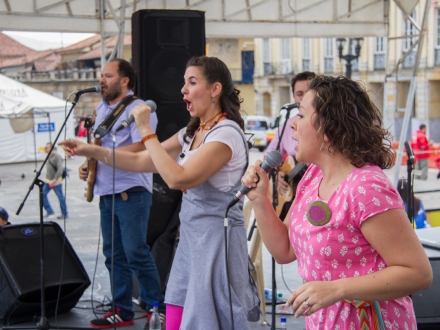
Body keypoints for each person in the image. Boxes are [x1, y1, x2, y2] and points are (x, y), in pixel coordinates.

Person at [60, 56, 257, 330]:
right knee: (176, 317)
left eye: (192, 82)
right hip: (191, 240)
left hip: (216, 244)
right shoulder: (192, 133)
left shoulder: (227, 134)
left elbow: (178, 178)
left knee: (210, 321)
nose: (183, 90)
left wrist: (144, 130)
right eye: (183, 83)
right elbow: (143, 161)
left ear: (215, 89)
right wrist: (90, 150)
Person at [241, 75, 433, 329]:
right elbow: (284, 250)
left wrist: (337, 288)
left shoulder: (366, 187)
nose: (292, 127)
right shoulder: (312, 175)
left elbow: (418, 273)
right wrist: (259, 200)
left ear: (328, 129)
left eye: (300, 115)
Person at [74, 58, 164, 328]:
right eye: (102, 75)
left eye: (108, 76)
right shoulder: (101, 108)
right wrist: (87, 164)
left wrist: (97, 154)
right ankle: (121, 309)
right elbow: (99, 148)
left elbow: (141, 147)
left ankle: (156, 307)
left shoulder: (139, 109)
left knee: (136, 251)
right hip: (107, 192)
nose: (102, 80)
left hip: (131, 191)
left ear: (125, 80)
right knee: (114, 255)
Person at [265, 71, 316, 196]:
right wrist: (276, 174)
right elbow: (270, 155)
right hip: (292, 193)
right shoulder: (287, 125)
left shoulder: (324, 124)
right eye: (299, 94)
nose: (303, 97)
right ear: (293, 97)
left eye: (308, 92)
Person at [43, 142, 68, 219]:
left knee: (60, 197)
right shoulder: (49, 156)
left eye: (47, 147)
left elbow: (60, 169)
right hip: (48, 180)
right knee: (42, 194)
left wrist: (55, 179)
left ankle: (64, 213)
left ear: (52, 148)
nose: (45, 149)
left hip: (56, 181)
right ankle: (49, 210)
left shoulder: (57, 156)